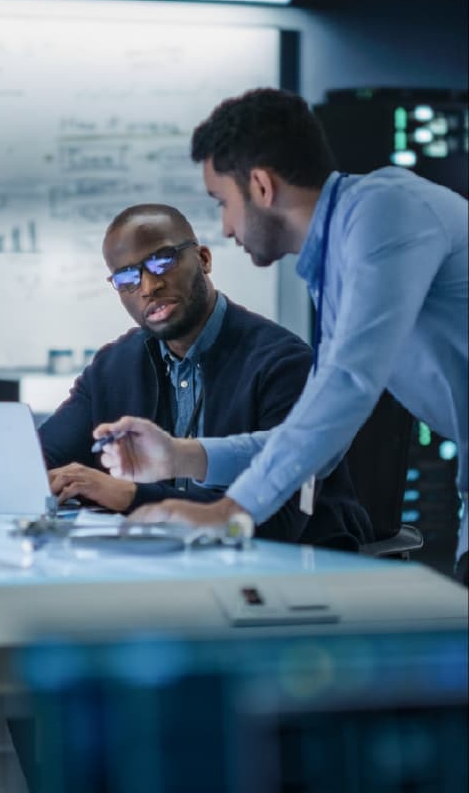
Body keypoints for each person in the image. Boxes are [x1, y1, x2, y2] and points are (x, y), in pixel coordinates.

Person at [95, 88, 468, 581]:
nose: (226, 227)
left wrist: (229, 513)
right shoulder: (334, 264)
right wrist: (182, 456)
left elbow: (348, 387)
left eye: (222, 202)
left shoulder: (383, 211)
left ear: (261, 186)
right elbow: (321, 441)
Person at [39, 202, 373, 548]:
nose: (148, 286)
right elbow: (39, 459)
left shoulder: (283, 362)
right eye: (126, 278)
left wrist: (128, 495)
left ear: (203, 259)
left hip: (291, 570)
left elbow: (279, 524)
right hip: (170, 567)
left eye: (162, 261)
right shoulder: (114, 366)